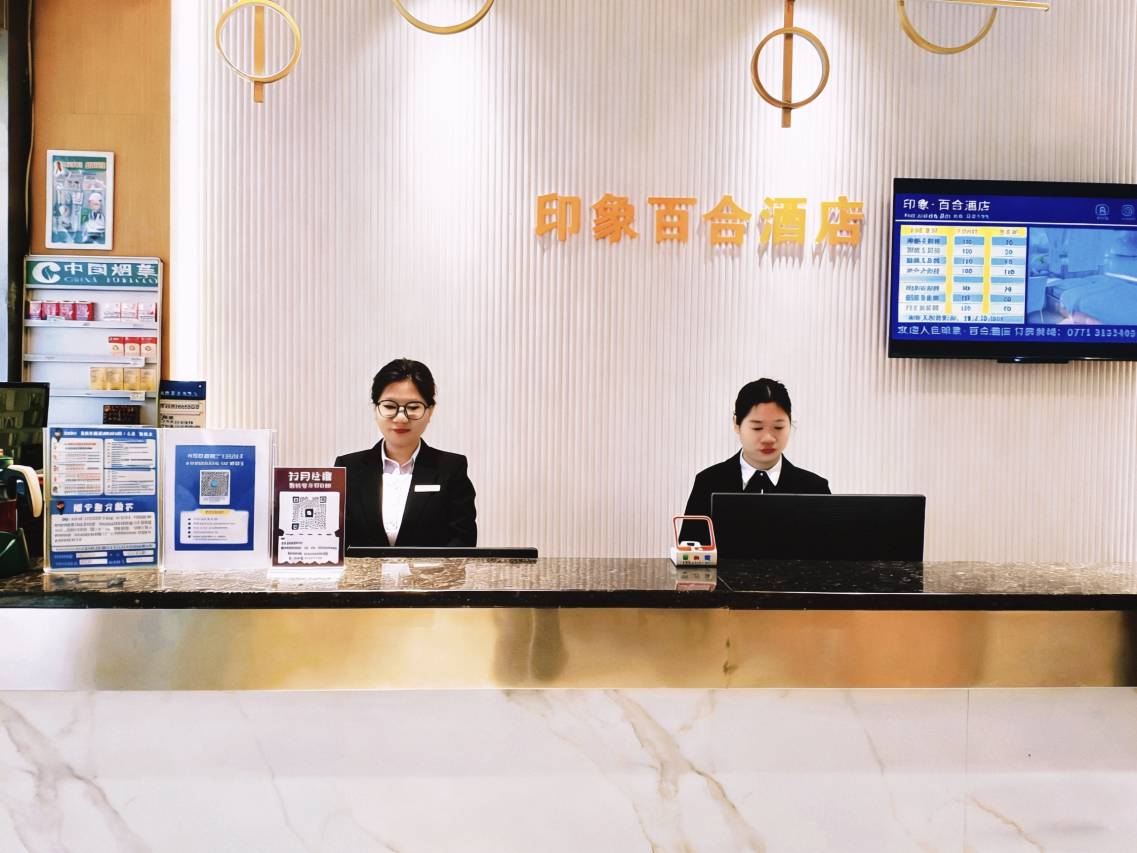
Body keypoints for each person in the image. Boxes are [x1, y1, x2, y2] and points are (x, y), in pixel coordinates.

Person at [335, 358, 476, 548]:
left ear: (430, 411)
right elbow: (334, 539)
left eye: (413, 407)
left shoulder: (451, 468)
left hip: (431, 570)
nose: (401, 417)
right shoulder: (348, 468)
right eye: (389, 406)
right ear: (375, 409)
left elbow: (462, 541)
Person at [683, 378, 830, 526]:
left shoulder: (815, 489)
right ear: (736, 424)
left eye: (778, 427)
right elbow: (691, 540)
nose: (768, 438)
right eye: (757, 428)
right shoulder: (708, 483)